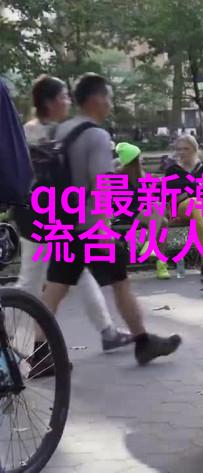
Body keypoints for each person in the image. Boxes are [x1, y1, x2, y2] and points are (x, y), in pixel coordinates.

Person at [40, 73, 181, 366]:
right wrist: (104, 228)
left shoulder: (61, 130)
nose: (109, 104)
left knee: (55, 288)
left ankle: (39, 353)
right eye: (108, 97)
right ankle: (143, 342)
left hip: (63, 223)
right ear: (96, 99)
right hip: (90, 227)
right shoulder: (96, 135)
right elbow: (102, 184)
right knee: (120, 282)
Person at [14, 75, 134, 352]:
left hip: (55, 217)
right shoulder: (35, 132)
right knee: (31, 281)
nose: (68, 102)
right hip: (43, 217)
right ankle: (19, 341)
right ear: (51, 102)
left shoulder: (55, 131)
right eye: (64, 97)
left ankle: (106, 330)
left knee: (77, 273)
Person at [113, 142, 172, 279]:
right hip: (126, 213)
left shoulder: (141, 176)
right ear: (133, 160)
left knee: (162, 221)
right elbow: (122, 203)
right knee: (160, 218)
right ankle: (155, 254)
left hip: (143, 212)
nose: (142, 160)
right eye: (139, 157)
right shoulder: (117, 177)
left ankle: (158, 260)